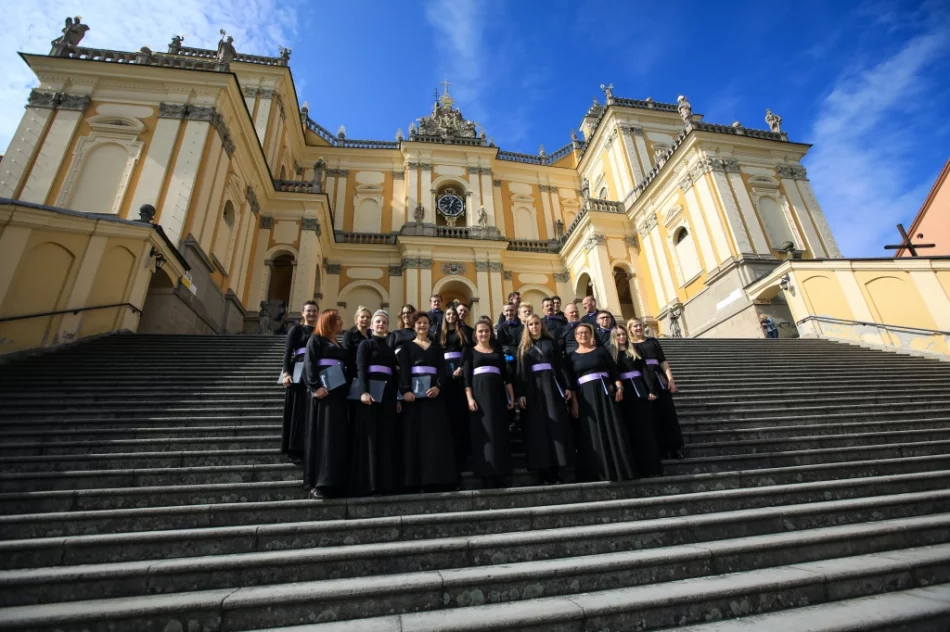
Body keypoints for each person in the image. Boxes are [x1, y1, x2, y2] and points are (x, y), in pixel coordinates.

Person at [568, 322, 638, 482]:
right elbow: (571, 382)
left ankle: (619, 469)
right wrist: (574, 403)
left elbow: (613, 371)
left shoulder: (601, 351)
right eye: (579, 333)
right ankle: (597, 472)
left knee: (611, 427)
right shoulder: (572, 356)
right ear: (575, 336)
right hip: (585, 397)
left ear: (591, 334)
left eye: (586, 332)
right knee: (591, 432)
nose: (582, 335)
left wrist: (620, 388)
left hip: (605, 392)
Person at [398, 312, 457, 491]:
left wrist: (438, 387)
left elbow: (442, 371)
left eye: (425, 323)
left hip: (433, 398)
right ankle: (414, 482)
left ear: (429, 325)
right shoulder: (406, 348)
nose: (422, 326)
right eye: (419, 323)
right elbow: (403, 371)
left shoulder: (437, 348)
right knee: (414, 438)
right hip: (414, 400)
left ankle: (437, 479)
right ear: (414, 326)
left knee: (435, 438)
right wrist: (405, 391)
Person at [516, 313, 574, 484]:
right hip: (533, 391)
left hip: (552, 389)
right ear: (527, 327)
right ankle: (544, 472)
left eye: (536, 323)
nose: (534, 327)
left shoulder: (551, 344)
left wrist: (568, 386)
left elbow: (561, 366)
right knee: (537, 430)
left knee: (556, 426)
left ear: (542, 325)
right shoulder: (523, 348)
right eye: (530, 324)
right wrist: (520, 394)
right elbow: (519, 373)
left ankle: (558, 469)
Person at [350, 310, 401, 496]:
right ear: (371, 326)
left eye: (384, 322)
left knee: (385, 438)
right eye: (378, 322)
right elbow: (361, 368)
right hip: (369, 396)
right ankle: (368, 483)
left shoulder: (389, 349)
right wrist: (363, 391)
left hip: (387, 397)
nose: (381, 325)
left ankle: (385, 483)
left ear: (388, 327)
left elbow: (395, 375)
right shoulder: (365, 344)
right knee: (369, 437)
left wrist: (396, 398)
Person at [303, 309, 350, 499]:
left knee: (336, 436)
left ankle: (335, 480)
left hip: (338, 393)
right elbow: (309, 364)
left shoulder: (338, 343)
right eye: (337, 318)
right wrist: (315, 387)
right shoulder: (316, 340)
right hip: (323, 394)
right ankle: (319, 482)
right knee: (323, 435)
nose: (340, 321)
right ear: (328, 321)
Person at [465, 320, 515, 488]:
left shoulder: (498, 353)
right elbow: (466, 379)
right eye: (480, 331)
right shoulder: (470, 352)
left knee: (499, 432)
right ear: (475, 334)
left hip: (497, 396)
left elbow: (506, 378)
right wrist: (470, 399)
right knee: (483, 434)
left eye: (486, 331)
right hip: (479, 397)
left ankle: (501, 472)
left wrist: (511, 398)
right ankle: (486, 473)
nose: (484, 334)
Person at [610, 324, 663, 477]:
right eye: (618, 335)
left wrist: (651, 389)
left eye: (623, 334)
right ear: (614, 337)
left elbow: (645, 371)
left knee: (646, 429)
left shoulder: (635, 350)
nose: (621, 337)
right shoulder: (612, 355)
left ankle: (652, 466)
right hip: (625, 394)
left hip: (640, 390)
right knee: (631, 430)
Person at [629, 318, 684, 460]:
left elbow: (663, 361)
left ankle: (675, 448)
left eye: (640, 325)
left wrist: (671, 380)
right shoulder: (629, 345)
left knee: (667, 413)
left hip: (658, 377)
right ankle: (660, 448)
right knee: (652, 415)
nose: (638, 328)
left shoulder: (652, 341)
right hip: (643, 380)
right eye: (635, 326)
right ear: (630, 329)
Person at [280, 300, 318, 463]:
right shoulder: (296, 329)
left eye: (314, 311)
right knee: (296, 409)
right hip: (298, 370)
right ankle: (293, 448)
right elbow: (288, 352)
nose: (311, 314)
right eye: (308, 311)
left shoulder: (319, 331)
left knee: (309, 409)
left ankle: (308, 446)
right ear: (302, 313)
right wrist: (286, 373)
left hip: (314, 372)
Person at [440, 304, 472, 470]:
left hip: (459, 374)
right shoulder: (440, 333)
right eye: (449, 314)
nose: (451, 316)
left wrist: (461, 367)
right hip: (445, 376)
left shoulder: (463, 332)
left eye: (453, 314)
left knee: (460, 413)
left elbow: (466, 351)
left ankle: (463, 450)